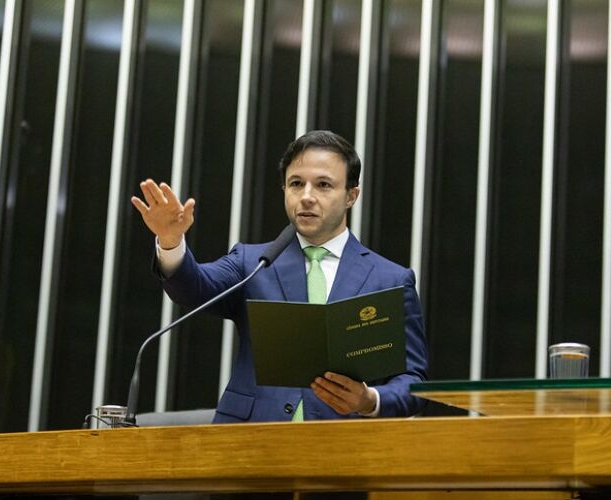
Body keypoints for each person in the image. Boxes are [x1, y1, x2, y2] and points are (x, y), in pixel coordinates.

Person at [131, 130, 428, 423]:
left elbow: (414, 383)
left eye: (324, 185)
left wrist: (369, 400)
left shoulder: (390, 280)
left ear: (351, 195)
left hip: (344, 451)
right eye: (296, 184)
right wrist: (171, 241)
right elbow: (193, 289)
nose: (307, 197)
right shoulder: (254, 263)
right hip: (252, 444)